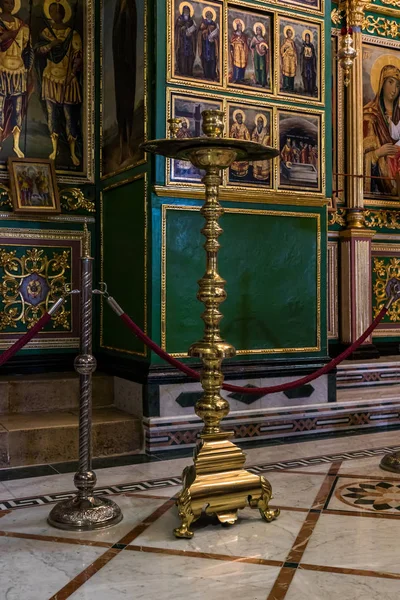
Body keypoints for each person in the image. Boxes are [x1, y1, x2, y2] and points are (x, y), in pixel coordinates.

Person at [35, 0, 82, 166]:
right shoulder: (46, 33)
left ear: (63, 13)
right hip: (50, 77)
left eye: (58, 11)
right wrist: (51, 45)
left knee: (69, 117)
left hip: (67, 78)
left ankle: (72, 153)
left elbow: (78, 56)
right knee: (52, 114)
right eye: (52, 11)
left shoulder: (72, 34)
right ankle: (54, 149)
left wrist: (72, 73)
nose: (56, 15)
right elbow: (38, 50)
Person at [0, 0, 32, 157]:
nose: (10, 4)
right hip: (1, 70)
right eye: (6, 1)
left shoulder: (23, 26)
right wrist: (6, 35)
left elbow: (28, 50)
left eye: (12, 2)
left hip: (19, 72)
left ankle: (16, 145)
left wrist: (28, 69)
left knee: (18, 109)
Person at [363, 64, 400, 195]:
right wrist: (377, 153)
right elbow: (359, 155)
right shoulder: (370, 114)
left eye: (398, 85)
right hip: (380, 183)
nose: (394, 89)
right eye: (390, 82)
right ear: (382, 83)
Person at [175, 4, 197, 78]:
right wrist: (182, 29)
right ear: (183, 11)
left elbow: (195, 31)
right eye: (185, 10)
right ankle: (182, 71)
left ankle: (189, 71)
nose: (186, 12)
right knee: (182, 56)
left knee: (190, 56)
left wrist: (192, 33)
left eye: (188, 11)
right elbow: (176, 29)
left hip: (190, 42)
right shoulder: (179, 19)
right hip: (182, 42)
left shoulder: (191, 21)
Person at [198, 9, 219, 81]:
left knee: (213, 59)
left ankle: (212, 74)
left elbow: (217, 35)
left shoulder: (214, 24)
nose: (209, 17)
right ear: (206, 16)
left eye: (210, 15)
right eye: (208, 15)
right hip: (205, 45)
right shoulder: (203, 23)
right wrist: (204, 32)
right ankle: (206, 74)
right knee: (205, 59)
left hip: (212, 45)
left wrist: (214, 37)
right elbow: (200, 32)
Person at [230, 110, 250, 177]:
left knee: (243, 157)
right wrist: (234, 134)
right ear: (236, 118)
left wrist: (247, 141)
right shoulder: (234, 125)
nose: (240, 119)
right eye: (238, 117)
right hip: (236, 143)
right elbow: (231, 134)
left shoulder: (244, 127)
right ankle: (236, 170)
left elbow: (247, 136)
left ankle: (242, 170)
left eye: (241, 117)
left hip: (243, 143)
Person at [251, 114, 270, 181]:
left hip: (263, 149)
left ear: (263, 123)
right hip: (256, 148)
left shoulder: (265, 131)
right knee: (256, 162)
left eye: (261, 122)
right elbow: (253, 137)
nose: (259, 123)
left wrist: (262, 145)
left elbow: (267, 138)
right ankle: (256, 174)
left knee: (264, 162)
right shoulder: (255, 130)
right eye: (258, 121)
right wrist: (255, 140)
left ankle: (264, 175)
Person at [250, 24, 268, 88]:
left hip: (262, 55)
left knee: (262, 67)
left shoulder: (263, 39)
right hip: (256, 54)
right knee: (257, 67)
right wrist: (254, 45)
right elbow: (251, 46)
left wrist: (264, 49)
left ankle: (263, 81)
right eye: (257, 30)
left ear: (261, 31)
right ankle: (257, 80)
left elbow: (266, 48)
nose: (258, 31)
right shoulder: (254, 38)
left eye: (259, 30)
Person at [230, 18, 248, 84]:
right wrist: (236, 40)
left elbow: (245, 42)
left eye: (241, 26)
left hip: (242, 50)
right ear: (237, 27)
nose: (240, 27)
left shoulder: (243, 35)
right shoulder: (234, 34)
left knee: (242, 63)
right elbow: (231, 41)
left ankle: (241, 77)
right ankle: (236, 77)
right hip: (236, 50)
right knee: (236, 63)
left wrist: (243, 42)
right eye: (239, 26)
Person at [280, 26, 297, 93]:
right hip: (286, 59)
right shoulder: (284, 40)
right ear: (286, 33)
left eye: (290, 33)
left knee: (292, 72)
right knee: (286, 72)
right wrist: (285, 49)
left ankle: (291, 86)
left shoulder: (292, 42)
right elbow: (281, 49)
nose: (289, 34)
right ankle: (285, 85)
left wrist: (294, 56)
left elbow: (295, 50)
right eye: (288, 33)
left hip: (292, 59)